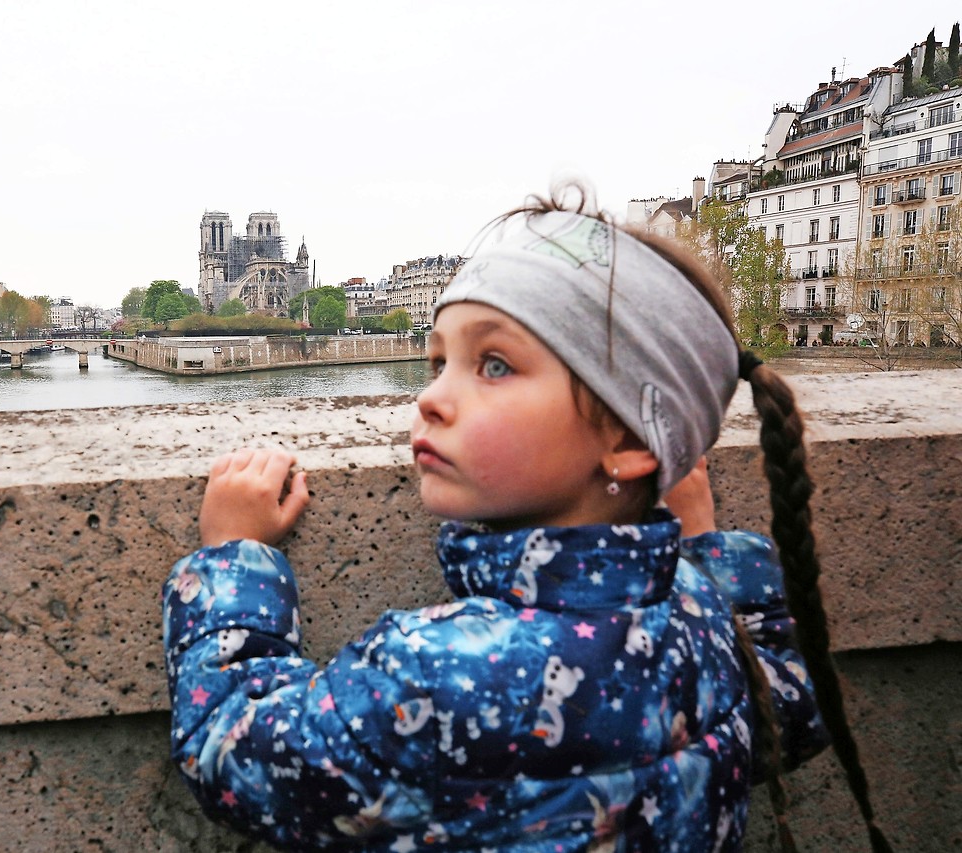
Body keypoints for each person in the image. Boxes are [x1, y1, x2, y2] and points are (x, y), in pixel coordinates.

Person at [162, 190, 890, 852]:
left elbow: (231, 754)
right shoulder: (704, 625)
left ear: (633, 444)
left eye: (495, 365)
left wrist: (233, 558)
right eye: (438, 361)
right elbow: (792, 700)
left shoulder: (432, 671)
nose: (430, 399)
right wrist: (702, 541)